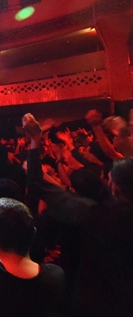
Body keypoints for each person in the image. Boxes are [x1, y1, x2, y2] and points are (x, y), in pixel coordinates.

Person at [23, 112, 133, 316]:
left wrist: (35, 140)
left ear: (115, 188)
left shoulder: (94, 213)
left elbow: (36, 183)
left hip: (98, 303)